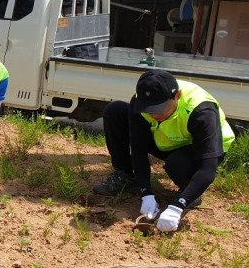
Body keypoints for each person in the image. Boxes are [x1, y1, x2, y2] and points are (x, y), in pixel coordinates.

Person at [93, 69, 235, 232]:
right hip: (167, 140)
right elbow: (138, 151)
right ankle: (126, 177)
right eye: (149, 108)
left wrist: (177, 206)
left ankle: (189, 191)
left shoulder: (201, 110)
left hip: (202, 149)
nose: (154, 113)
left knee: (177, 164)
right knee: (115, 111)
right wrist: (145, 192)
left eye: (160, 108)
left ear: (178, 96)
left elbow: (208, 169)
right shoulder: (141, 104)